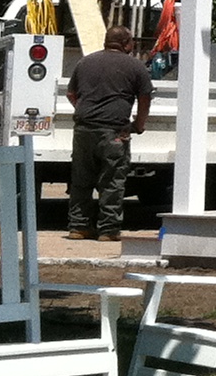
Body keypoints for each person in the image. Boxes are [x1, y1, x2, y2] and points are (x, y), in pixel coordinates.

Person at [65, 26, 154, 241]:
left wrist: (85, 111)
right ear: (126, 43)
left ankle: (78, 227)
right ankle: (108, 230)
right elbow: (145, 97)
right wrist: (139, 124)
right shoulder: (135, 66)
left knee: (81, 180)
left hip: (84, 129)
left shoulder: (85, 62)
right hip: (114, 131)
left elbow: (71, 93)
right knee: (112, 181)